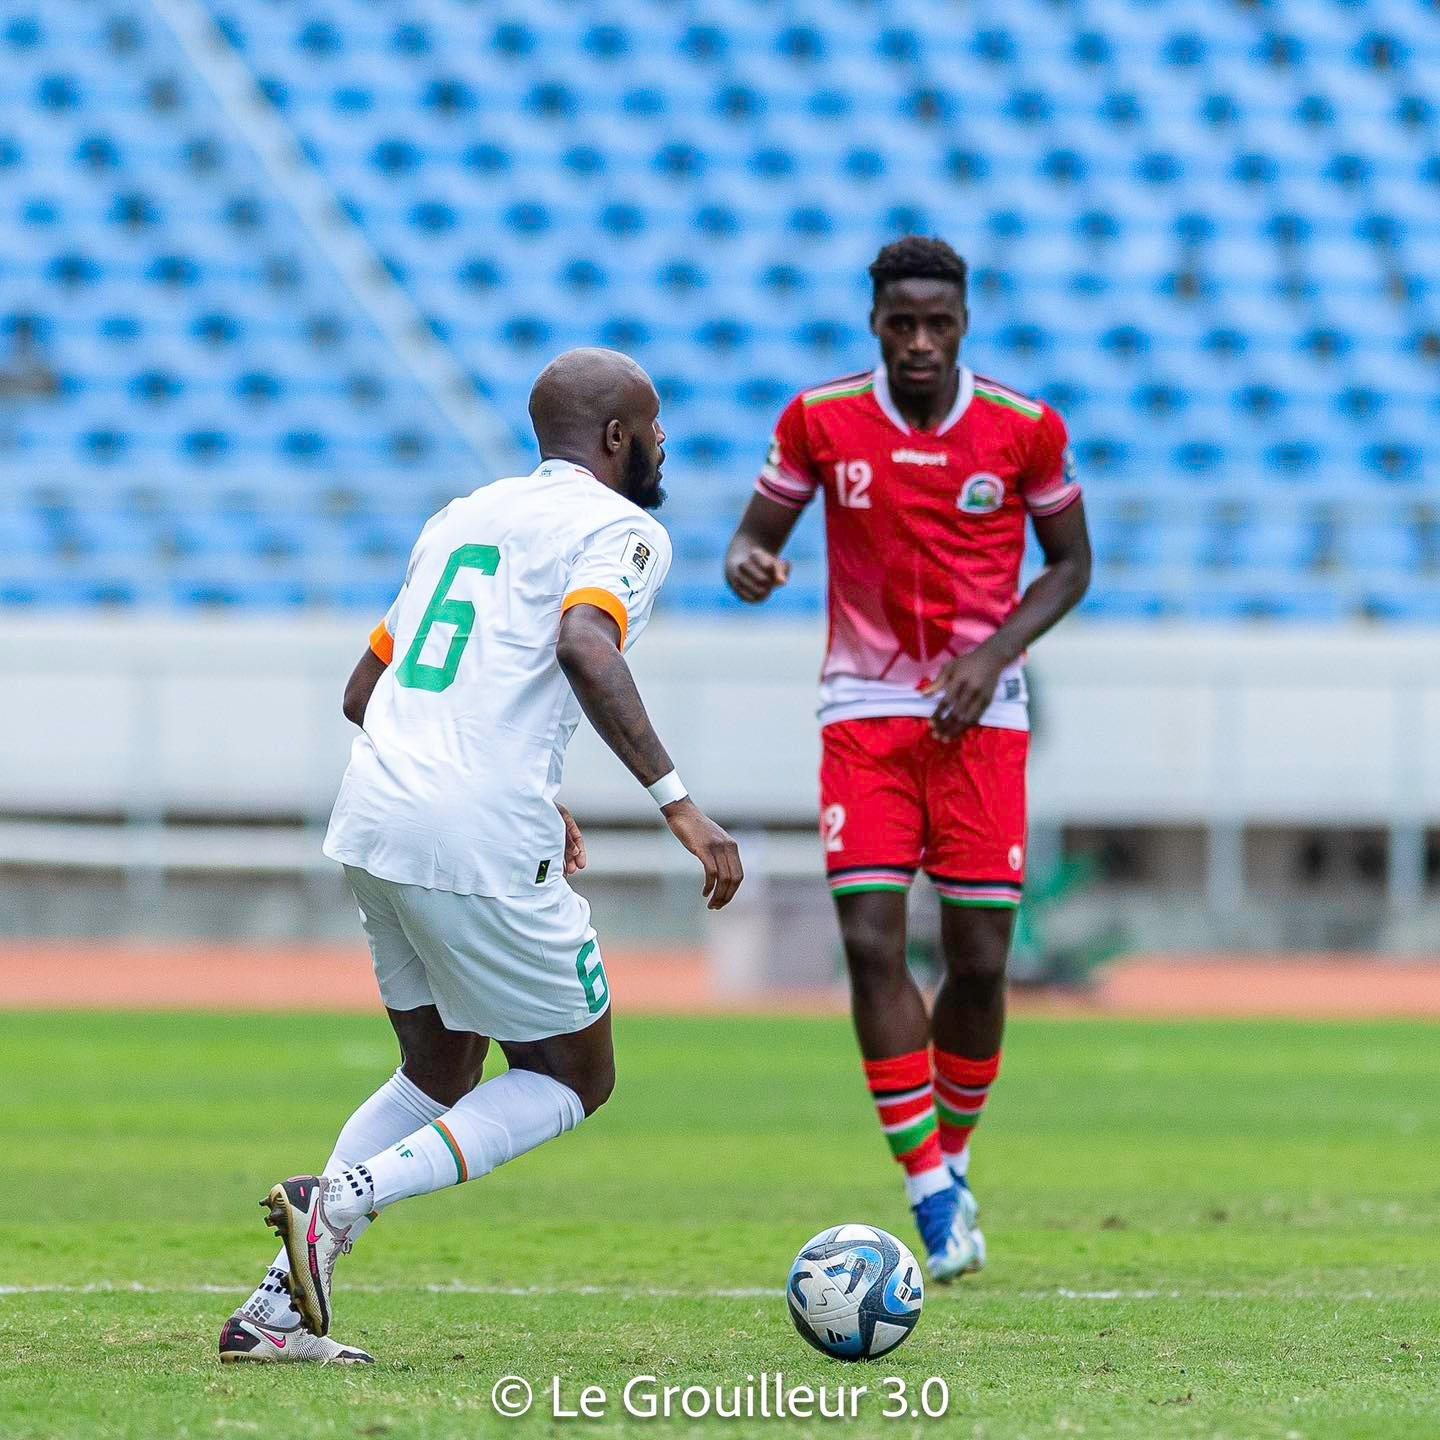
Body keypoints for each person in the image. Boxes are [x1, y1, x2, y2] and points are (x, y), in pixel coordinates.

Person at [219, 347, 742, 1362]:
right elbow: (587, 648)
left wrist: (531, 790)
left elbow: (362, 693)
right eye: (656, 423)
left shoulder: (459, 518)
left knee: (440, 1063)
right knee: (572, 1077)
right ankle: (340, 1200)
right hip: (474, 832)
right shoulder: (622, 529)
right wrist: (679, 806)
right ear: (619, 438)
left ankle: (275, 1317)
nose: (665, 441)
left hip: (374, 814)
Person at [723, 237, 1091, 1281]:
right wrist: (751, 563)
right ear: (876, 324)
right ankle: (929, 1189)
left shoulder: (1024, 429)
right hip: (863, 715)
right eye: (902, 324)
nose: (921, 342)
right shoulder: (819, 419)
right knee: (875, 945)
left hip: (984, 721)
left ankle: (954, 1155)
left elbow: (1073, 568)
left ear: (964, 321)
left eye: (938, 323)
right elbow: (752, 536)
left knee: (977, 962)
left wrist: (993, 656)